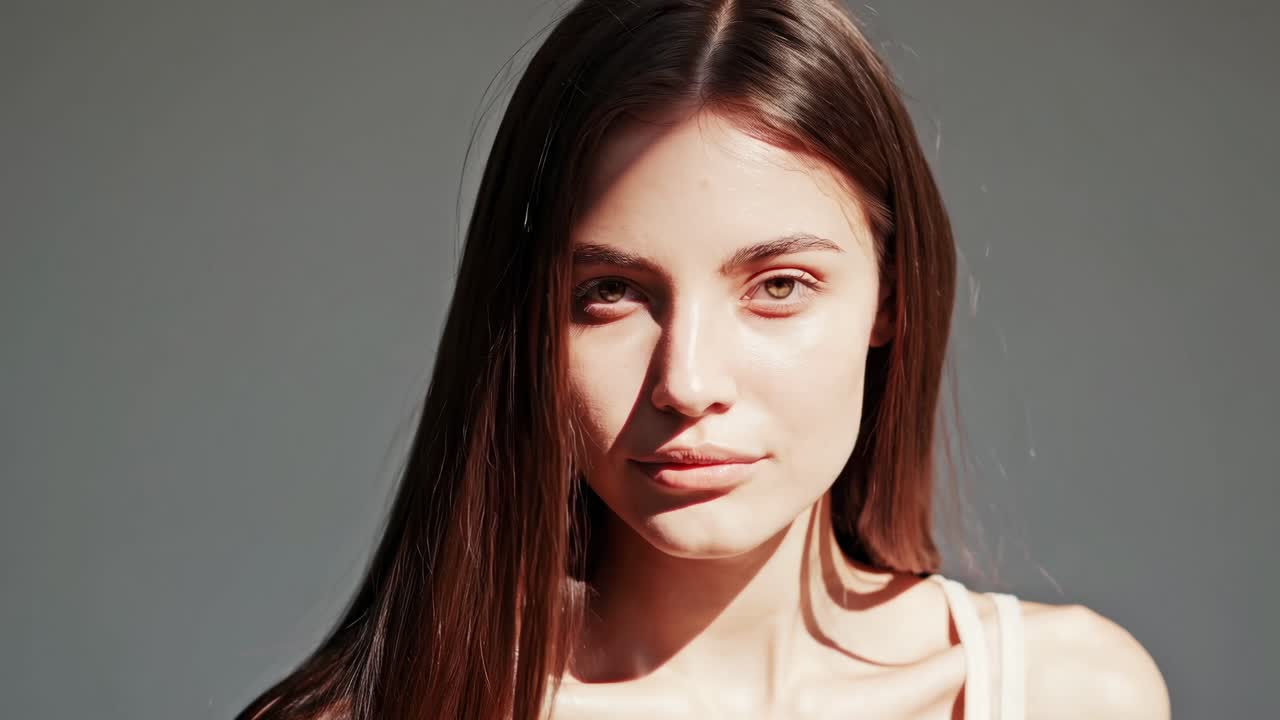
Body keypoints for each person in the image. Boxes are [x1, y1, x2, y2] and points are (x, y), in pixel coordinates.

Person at [236, 1, 1170, 718]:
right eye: (610, 293)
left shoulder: (1069, 695)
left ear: (889, 295)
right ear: (525, 319)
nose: (686, 382)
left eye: (778, 286)